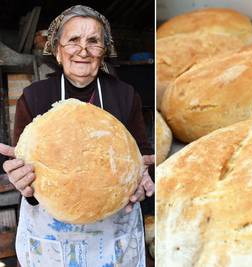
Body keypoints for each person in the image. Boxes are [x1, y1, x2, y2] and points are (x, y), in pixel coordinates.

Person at [0, 5, 154, 267]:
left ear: (104, 50)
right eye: (73, 40)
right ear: (58, 50)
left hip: (114, 234)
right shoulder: (35, 96)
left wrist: (144, 179)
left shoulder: (125, 94)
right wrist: (20, 180)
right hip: (51, 239)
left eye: (93, 41)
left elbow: (142, 156)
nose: (83, 50)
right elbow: (23, 163)